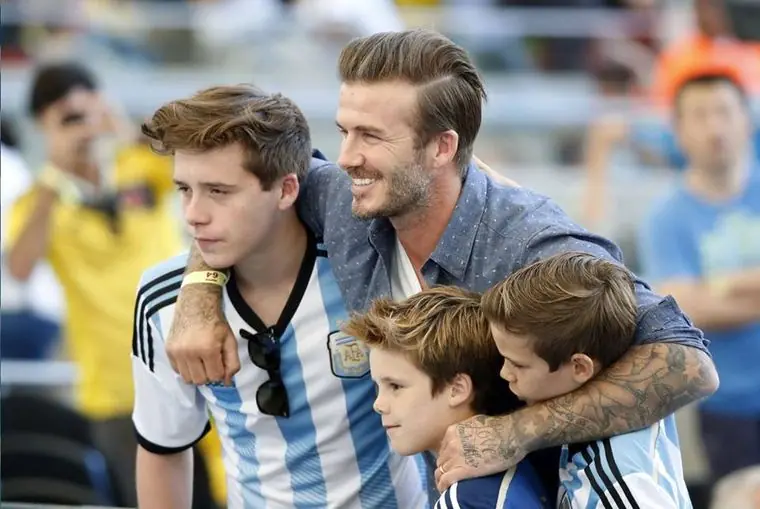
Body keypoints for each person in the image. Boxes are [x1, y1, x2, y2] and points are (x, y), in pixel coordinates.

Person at [163, 29, 718, 502]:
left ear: (441, 148)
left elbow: (689, 365)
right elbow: (245, 185)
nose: (347, 156)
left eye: (371, 136)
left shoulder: (530, 244)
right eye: (344, 131)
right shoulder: (344, 196)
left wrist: (517, 431)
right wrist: (199, 290)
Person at [132, 84, 428, 509]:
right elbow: (164, 447)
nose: (193, 214)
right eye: (184, 189)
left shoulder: (369, 264)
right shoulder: (162, 299)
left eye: (219, 191)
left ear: (287, 189)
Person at [3, 62, 184, 505]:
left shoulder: (140, 162)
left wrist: (129, 129)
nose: (82, 127)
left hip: (189, 362)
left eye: (87, 112)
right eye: (67, 119)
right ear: (43, 127)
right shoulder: (40, 199)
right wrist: (56, 171)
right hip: (115, 388)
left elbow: (199, 164)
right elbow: (20, 267)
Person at [482, 252, 692, 508]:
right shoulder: (610, 417)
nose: (505, 373)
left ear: (580, 367)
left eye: (518, 364)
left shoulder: (618, 483)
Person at [638, 73, 760, 483]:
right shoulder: (666, 216)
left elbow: (701, 296)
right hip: (727, 402)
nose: (714, 127)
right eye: (700, 115)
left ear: (746, 120)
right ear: (678, 130)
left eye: (724, 112)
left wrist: (721, 284)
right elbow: (686, 308)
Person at [342, 285, 549, 508]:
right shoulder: (517, 467)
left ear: (457, 389)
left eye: (395, 386)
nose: (378, 404)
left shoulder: (465, 500)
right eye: (378, 386)